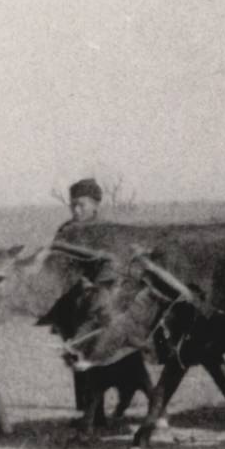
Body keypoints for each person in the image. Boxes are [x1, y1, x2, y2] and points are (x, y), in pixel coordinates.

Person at [56, 177, 151, 426]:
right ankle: (92, 414)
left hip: (106, 304)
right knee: (80, 360)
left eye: (82, 205)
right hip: (75, 304)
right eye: (73, 205)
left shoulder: (108, 232)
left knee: (119, 358)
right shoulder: (65, 231)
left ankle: (146, 407)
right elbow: (56, 266)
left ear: (96, 205)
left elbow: (120, 265)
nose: (76, 210)